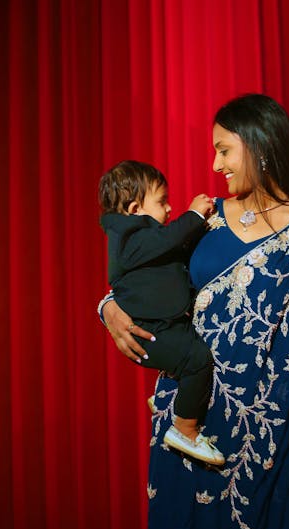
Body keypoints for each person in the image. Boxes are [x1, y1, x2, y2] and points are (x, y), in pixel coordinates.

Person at [99, 94, 289, 529]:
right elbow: (141, 277)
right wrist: (106, 306)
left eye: (224, 150)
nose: (215, 165)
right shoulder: (205, 218)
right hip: (187, 427)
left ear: (260, 145)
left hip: (266, 437)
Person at [99, 160, 224, 465]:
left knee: (191, 352)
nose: (169, 209)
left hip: (164, 325)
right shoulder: (129, 237)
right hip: (149, 330)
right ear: (134, 209)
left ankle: (172, 399)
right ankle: (184, 428)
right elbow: (171, 239)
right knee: (197, 362)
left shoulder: (143, 239)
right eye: (162, 202)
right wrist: (194, 214)